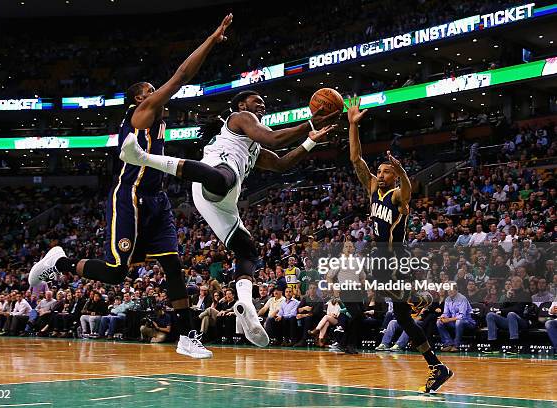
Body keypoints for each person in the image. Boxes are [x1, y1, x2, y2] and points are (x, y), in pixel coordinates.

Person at [27, 14, 235, 359]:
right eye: (149, 91)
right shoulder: (141, 115)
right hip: (130, 198)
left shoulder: (159, 120)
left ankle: (186, 336)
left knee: (172, 264)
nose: (156, 93)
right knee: (115, 272)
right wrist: (212, 40)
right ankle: (60, 262)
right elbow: (182, 75)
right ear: (138, 101)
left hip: (158, 199)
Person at [119, 88, 338, 348]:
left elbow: (281, 163)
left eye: (264, 103)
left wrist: (310, 141)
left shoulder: (252, 146)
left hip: (221, 199)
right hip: (214, 177)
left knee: (247, 252)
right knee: (225, 178)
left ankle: (245, 302)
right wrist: (311, 123)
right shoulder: (239, 119)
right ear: (241, 104)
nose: (262, 106)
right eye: (258, 101)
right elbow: (274, 139)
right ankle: (142, 157)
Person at [347, 96, 452, 393]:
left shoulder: (396, 197)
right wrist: (352, 125)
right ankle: (436, 366)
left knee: (388, 294)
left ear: (394, 175)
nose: (380, 175)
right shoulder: (372, 190)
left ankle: (420, 296)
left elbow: (407, 190)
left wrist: (402, 172)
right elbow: (356, 160)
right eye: (379, 171)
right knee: (402, 317)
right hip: (382, 258)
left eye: (386, 172)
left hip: (396, 258)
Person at [436, 284, 476, 352]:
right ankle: (448, 344)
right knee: (439, 322)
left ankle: (456, 345)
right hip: (454, 322)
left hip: (468, 322)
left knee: (459, 321)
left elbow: (462, 316)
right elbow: (446, 313)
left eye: (452, 289)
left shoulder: (462, 298)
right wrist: (442, 317)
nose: (450, 291)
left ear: (456, 290)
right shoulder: (447, 299)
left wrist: (448, 319)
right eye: (448, 290)